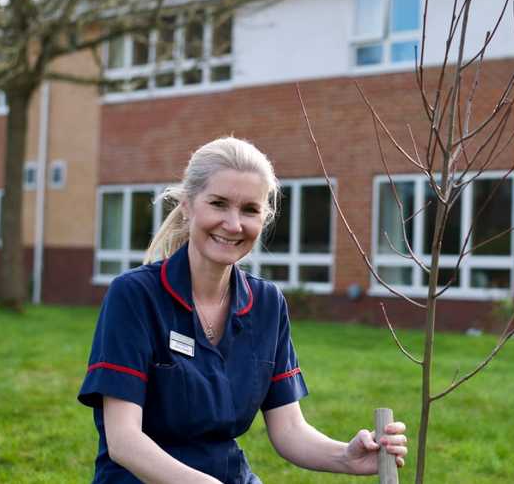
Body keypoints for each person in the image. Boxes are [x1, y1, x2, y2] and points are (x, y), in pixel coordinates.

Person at [78, 137, 408, 483]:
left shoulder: (267, 304)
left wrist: (346, 457)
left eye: (250, 210)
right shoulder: (134, 295)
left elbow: (290, 429)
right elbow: (124, 441)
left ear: (264, 218)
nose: (234, 225)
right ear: (189, 205)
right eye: (219, 204)